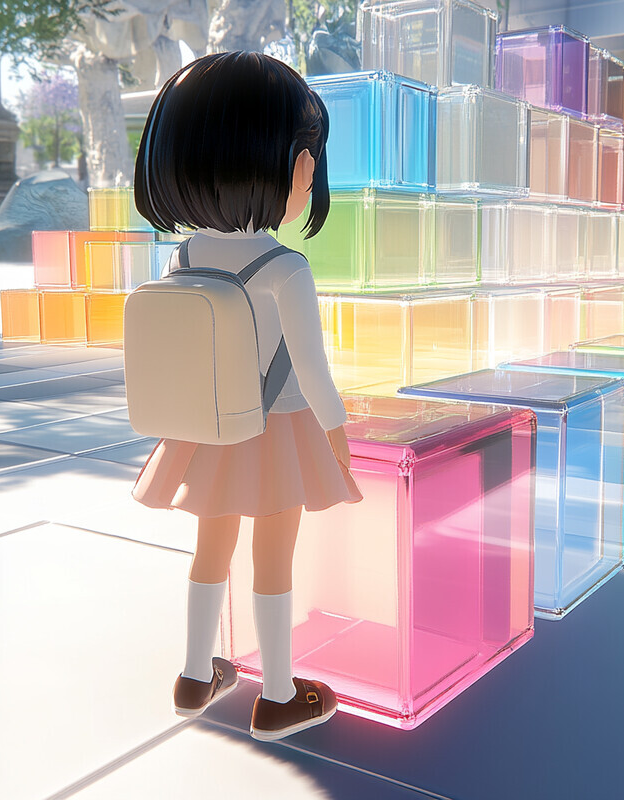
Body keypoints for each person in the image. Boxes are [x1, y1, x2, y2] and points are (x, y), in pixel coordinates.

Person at [129, 50, 363, 741]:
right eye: (307, 158)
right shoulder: (284, 267)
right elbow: (313, 372)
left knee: (210, 550)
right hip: (278, 430)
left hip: (208, 428)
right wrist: (339, 438)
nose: (311, 173)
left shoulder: (183, 257)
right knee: (272, 559)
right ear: (286, 165)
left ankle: (196, 675)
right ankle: (281, 696)